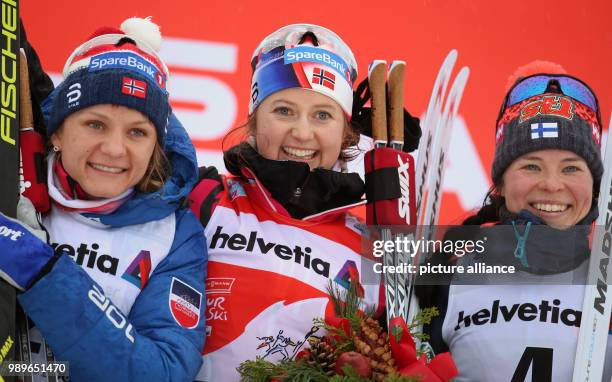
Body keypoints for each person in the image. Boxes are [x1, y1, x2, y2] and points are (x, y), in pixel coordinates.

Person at [187, 24, 422, 382]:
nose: (301, 132)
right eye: (283, 110)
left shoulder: (372, 247)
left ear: (346, 133)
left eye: (322, 115)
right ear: (253, 121)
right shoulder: (206, 199)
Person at [0, 17, 207, 381]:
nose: (114, 149)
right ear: (59, 132)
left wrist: (41, 271)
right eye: (95, 124)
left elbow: (164, 371)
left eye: (137, 132)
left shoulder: (175, 233)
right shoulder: (10, 183)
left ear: (155, 147)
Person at [418, 70, 612, 381]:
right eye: (531, 166)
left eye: (571, 168)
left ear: (596, 187)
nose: (551, 184)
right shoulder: (444, 284)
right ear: (501, 184)